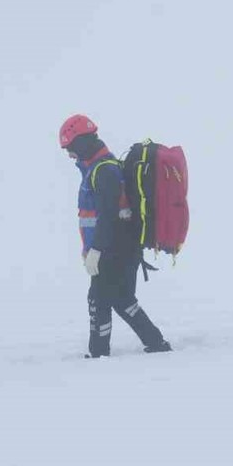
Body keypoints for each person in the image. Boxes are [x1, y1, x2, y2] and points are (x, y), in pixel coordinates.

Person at [59, 114, 172, 357]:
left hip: (114, 249)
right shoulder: (102, 168)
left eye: (70, 149)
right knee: (122, 299)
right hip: (122, 247)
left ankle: (98, 355)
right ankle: (156, 343)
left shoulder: (104, 171)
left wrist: (96, 251)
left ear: (81, 143)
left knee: (98, 300)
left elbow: (108, 215)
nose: (70, 155)